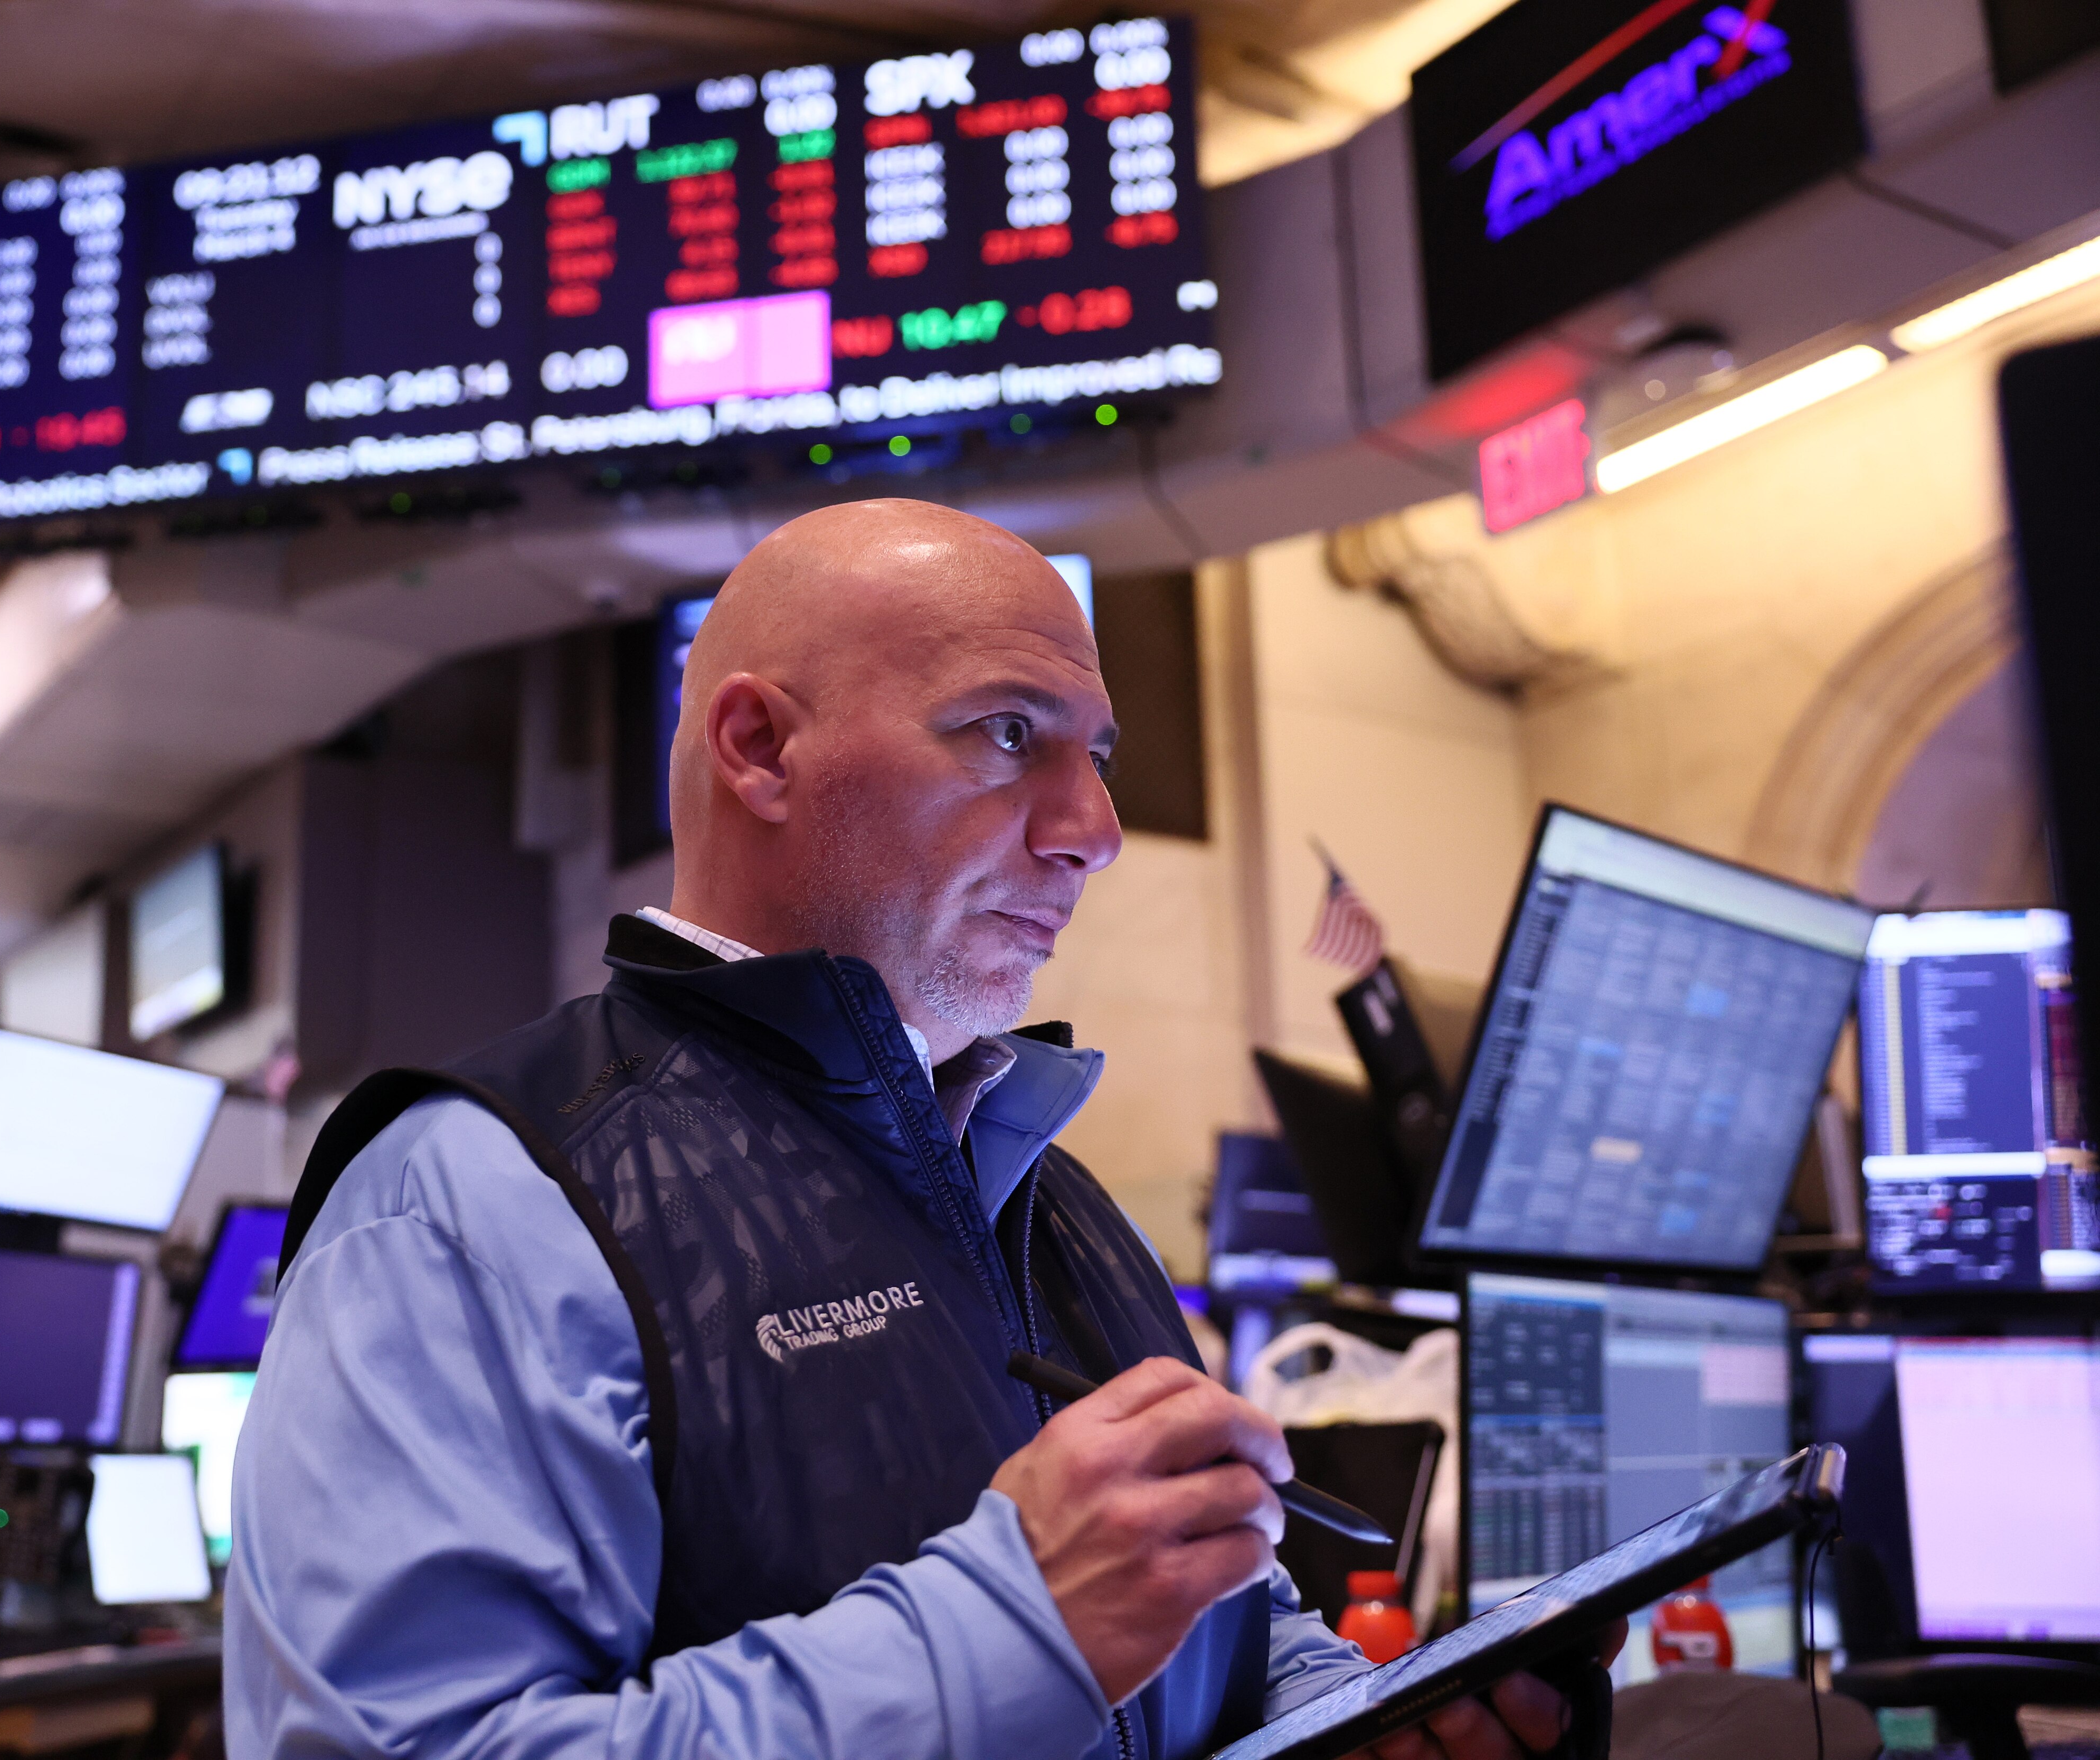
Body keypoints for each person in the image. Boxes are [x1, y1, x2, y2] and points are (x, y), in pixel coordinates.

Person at [228, 498, 1615, 1759]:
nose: (1095, 830)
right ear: (761, 748)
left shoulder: (1061, 1200)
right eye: (1009, 733)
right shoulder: (465, 1202)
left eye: (1100, 755)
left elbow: (1232, 1652)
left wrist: (1370, 1723)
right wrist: (1018, 1626)